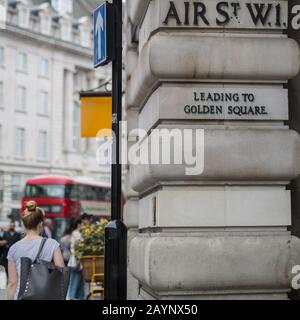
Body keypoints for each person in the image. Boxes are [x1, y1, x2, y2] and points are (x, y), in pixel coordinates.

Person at [6, 201, 64, 300]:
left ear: (23, 224)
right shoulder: (52, 244)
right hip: (46, 296)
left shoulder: (14, 248)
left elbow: (12, 283)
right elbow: (61, 272)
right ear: (40, 224)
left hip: (21, 296)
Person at [67, 218, 85, 300]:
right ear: (79, 224)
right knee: (76, 278)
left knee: (80, 279)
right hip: (77, 259)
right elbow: (74, 247)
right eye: (82, 224)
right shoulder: (76, 233)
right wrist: (79, 260)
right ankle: (72, 296)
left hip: (79, 258)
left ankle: (79, 296)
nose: (84, 226)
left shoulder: (79, 233)